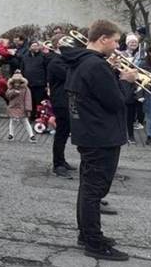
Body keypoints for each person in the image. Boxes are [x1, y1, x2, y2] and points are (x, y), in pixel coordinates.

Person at [62, 19, 136, 261]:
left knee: (88, 188)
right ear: (103, 38)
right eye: (115, 40)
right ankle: (94, 242)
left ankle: (87, 235)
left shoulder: (83, 61)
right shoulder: (94, 65)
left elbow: (93, 93)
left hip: (89, 132)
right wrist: (127, 81)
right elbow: (115, 102)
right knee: (94, 191)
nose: (117, 46)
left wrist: (110, 70)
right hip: (100, 135)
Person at [47, 35, 76, 177]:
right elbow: (70, 75)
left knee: (64, 133)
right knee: (61, 133)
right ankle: (57, 164)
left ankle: (61, 160)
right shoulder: (56, 62)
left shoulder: (64, 60)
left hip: (67, 100)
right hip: (61, 101)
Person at [21, 41, 50, 121]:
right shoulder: (25, 57)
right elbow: (22, 69)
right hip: (29, 83)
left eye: (37, 46)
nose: (35, 47)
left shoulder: (43, 56)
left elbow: (47, 70)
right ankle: (32, 116)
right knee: (30, 101)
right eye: (33, 46)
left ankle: (40, 117)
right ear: (30, 47)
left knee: (39, 101)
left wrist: (47, 82)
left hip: (40, 84)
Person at [6, 70, 35, 142]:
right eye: (15, 82)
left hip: (22, 108)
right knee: (12, 121)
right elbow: (8, 96)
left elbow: (28, 99)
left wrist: (28, 109)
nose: (16, 84)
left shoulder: (25, 89)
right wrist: (13, 92)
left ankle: (31, 135)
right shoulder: (11, 88)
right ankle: (11, 134)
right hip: (13, 107)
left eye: (18, 82)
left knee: (25, 121)